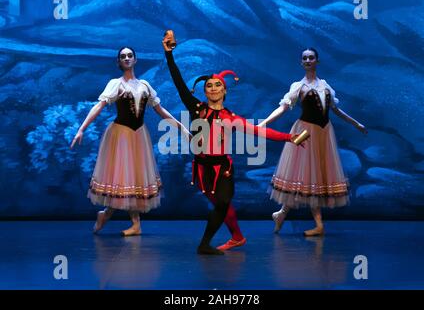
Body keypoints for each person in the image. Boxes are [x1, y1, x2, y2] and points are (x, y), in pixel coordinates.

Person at [162, 31, 301, 255]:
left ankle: (204, 244)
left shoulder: (231, 118)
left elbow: (258, 132)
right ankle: (237, 237)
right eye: (209, 86)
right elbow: (178, 82)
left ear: (225, 90)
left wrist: (289, 138)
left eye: (218, 85)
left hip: (222, 168)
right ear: (204, 91)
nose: (213, 88)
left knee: (223, 202)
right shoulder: (197, 109)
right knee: (222, 206)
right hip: (201, 167)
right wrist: (169, 55)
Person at [70, 47, 190, 236]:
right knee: (122, 179)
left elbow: (160, 110)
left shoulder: (144, 85)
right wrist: (81, 129)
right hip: (121, 134)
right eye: (123, 56)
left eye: (130, 56)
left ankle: (128, 222)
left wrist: (181, 127)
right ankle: (111, 215)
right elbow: (99, 106)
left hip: (138, 134)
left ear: (135, 60)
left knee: (133, 179)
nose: (126, 58)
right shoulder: (115, 84)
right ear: (119, 62)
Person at [259, 48, 367, 236]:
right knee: (305, 176)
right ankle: (315, 224)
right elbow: (283, 108)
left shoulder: (325, 86)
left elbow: (336, 110)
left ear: (317, 61)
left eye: (311, 57)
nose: (308, 60)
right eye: (305, 58)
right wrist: (266, 122)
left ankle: (283, 214)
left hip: (324, 133)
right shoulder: (298, 87)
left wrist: (356, 123)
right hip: (305, 132)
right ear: (301, 63)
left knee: (313, 177)